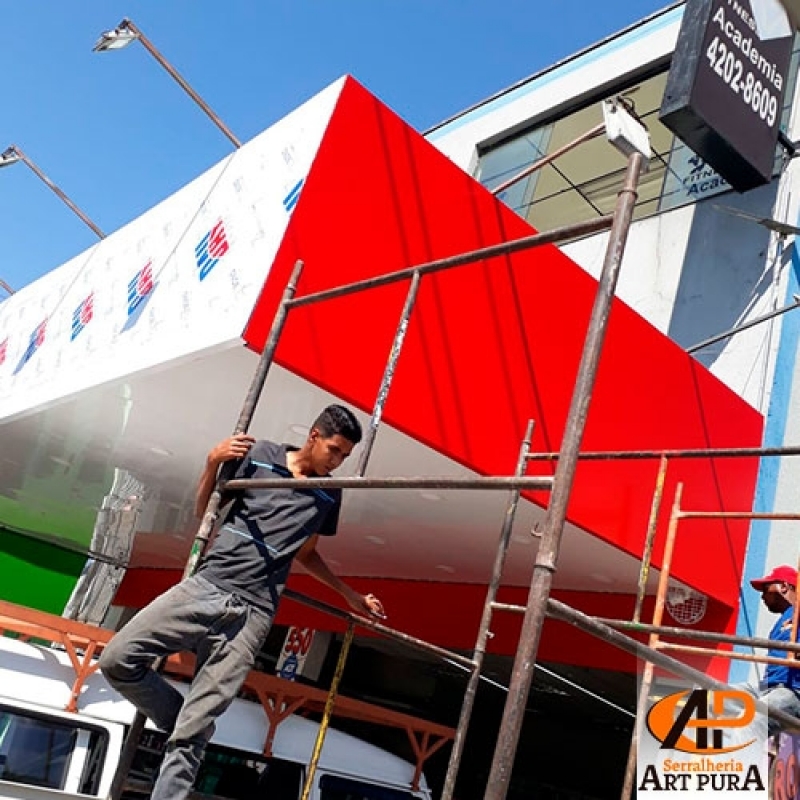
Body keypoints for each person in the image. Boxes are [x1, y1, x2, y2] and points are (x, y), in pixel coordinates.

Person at [99, 404, 385, 800]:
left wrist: (349, 595)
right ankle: (181, 719)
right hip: (208, 585)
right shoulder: (259, 455)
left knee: (191, 739)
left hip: (254, 613)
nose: (337, 461)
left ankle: (188, 733)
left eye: (345, 456)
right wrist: (212, 463)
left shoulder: (328, 494)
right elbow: (205, 515)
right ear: (314, 436)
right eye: (334, 450)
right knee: (117, 659)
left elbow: (306, 554)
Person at [749, 564, 800, 734]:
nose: (763, 596)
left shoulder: (798, 613)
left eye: (766, 589)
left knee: (753, 721)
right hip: (769, 686)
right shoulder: (782, 622)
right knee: (714, 697)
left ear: (784, 587)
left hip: (793, 690)